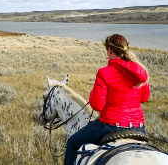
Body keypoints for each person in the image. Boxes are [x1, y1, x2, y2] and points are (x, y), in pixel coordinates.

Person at [63, 34, 149, 165]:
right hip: (138, 127)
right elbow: (144, 97)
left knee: (72, 143)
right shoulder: (140, 72)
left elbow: (97, 106)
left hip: (110, 125)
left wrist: (93, 94)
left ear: (109, 50)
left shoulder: (104, 72)